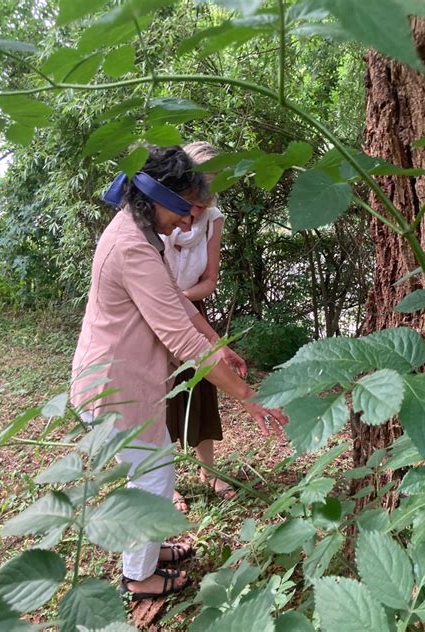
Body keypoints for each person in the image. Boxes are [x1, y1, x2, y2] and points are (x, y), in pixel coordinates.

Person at [70, 145, 286, 601]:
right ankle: (137, 577)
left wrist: (220, 349)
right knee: (151, 477)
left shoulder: (142, 234)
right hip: (114, 387)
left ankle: (145, 552)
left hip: (127, 382)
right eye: (185, 211)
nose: (189, 223)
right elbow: (180, 340)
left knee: (154, 468)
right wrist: (247, 396)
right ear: (153, 195)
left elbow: (178, 306)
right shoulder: (133, 246)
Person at [163, 141, 238, 509]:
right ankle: (164, 483)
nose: (202, 202)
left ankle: (209, 472)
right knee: (159, 393)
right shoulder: (160, 210)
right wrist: (166, 300)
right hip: (154, 310)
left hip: (192, 305)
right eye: (198, 191)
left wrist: (182, 298)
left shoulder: (213, 218)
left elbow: (210, 278)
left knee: (202, 387)